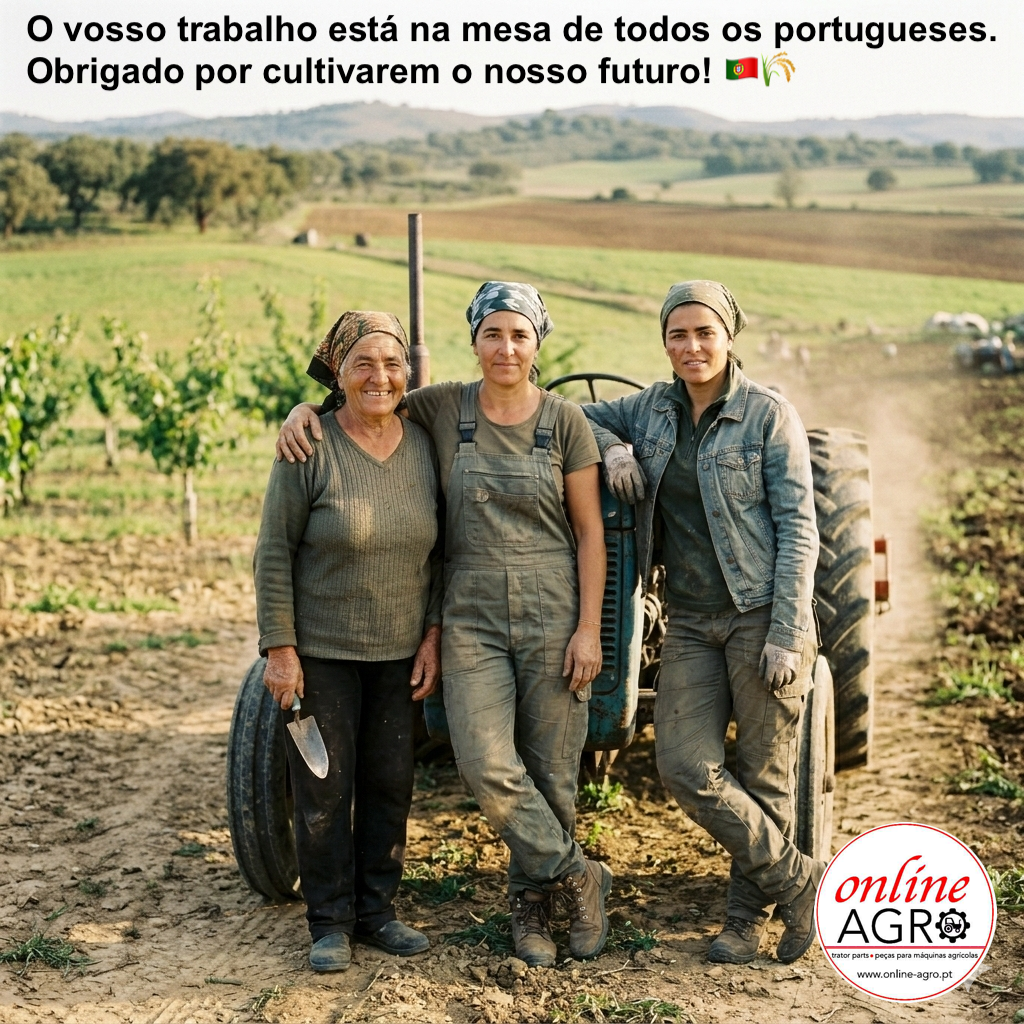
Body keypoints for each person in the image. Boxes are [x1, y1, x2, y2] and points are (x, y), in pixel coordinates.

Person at [275, 282, 612, 967]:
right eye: (493, 333)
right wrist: (302, 407)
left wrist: (589, 629)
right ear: (474, 341)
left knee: (546, 773)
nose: (506, 347)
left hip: (544, 613)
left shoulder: (565, 421)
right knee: (486, 763)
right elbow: (362, 398)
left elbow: (590, 533)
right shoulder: (442, 407)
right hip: (467, 617)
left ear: (537, 342)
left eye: (519, 334)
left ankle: (533, 910)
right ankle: (578, 874)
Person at [582, 280, 824, 966]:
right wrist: (617, 449)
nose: (691, 346)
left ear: (729, 336)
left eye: (703, 333)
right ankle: (800, 879)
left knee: (764, 773)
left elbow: (799, 533)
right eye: (677, 334)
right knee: (685, 765)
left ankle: (744, 921)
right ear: (663, 342)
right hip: (688, 619)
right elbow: (575, 416)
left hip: (760, 618)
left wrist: (784, 633)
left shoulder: (768, 416)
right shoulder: (652, 409)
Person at [254, 311, 443, 974]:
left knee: (392, 782)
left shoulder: (424, 443)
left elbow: (447, 553)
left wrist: (434, 633)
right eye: (363, 363)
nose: (380, 376)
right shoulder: (310, 446)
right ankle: (329, 922)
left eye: (392, 364)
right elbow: (274, 551)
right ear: (338, 370)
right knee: (324, 788)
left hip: (400, 654)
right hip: (324, 654)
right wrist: (280, 648)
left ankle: (377, 913)